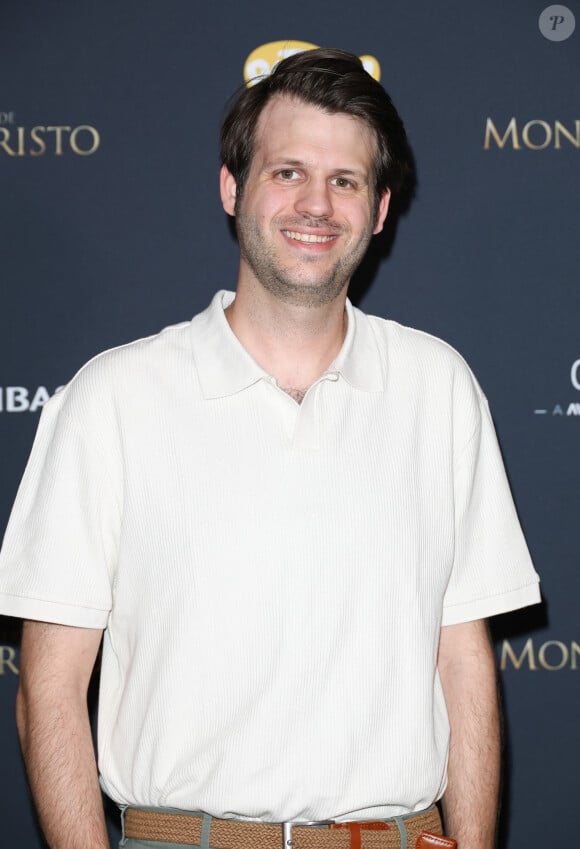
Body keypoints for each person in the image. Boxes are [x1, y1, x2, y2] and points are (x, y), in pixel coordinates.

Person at [0, 48, 540, 849]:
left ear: (381, 208)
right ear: (232, 187)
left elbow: (463, 657)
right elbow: (48, 686)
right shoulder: (112, 398)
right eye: (288, 172)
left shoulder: (439, 388)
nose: (316, 204)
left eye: (346, 180)